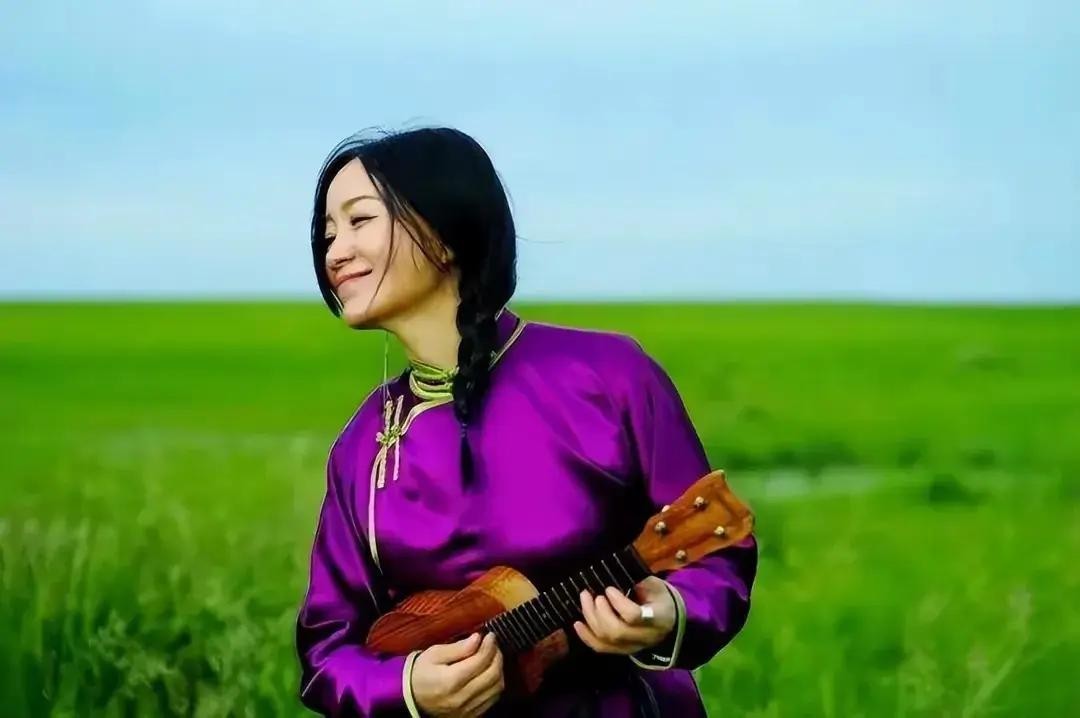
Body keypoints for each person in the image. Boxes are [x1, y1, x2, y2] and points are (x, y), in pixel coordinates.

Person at [295, 126, 757, 718]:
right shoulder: (362, 444)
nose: (335, 252)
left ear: (442, 233)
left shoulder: (608, 377)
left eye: (360, 220)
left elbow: (717, 549)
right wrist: (409, 687)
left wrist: (668, 612)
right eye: (328, 233)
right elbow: (327, 649)